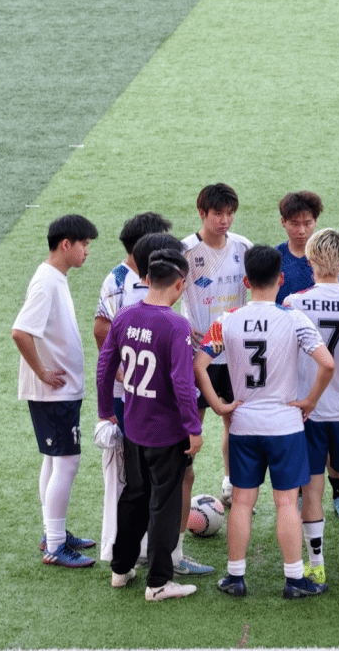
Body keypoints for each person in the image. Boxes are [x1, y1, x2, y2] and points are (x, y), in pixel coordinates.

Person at [196, 245, 335, 599]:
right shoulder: (293, 318)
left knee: (242, 502)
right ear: (281, 279)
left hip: (243, 424)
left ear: (246, 281)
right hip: (285, 425)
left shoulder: (226, 320)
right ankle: (294, 579)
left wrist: (219, 405)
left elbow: (199, 364)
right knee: (286, 502)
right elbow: (328, 364)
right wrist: (310, 400)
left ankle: (235, 576)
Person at [97, 249, 233, 601]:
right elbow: (182, 382)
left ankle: (121, 569)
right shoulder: (176, 325)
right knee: (164, 506)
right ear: (179, 284)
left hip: (134, 428)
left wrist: (105, 411)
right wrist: (194, 428)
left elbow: (105, 365)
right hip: (167, 434)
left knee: (133, 498)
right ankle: (158, 582)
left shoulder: (125, 316)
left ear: (147, 279)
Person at [284, 229, 339, 582]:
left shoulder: (294, 302)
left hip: (308, 409)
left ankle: (316, 564)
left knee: (312, 485)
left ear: (310, 260)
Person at [11, 214, 99, 569]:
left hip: (60, 391)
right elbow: (20, 331)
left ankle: (53, 532)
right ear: (66, 244)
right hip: (55, 392)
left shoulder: (53, 277)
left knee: (53, 459)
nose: (87, 251)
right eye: (84, 244)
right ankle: (56, 545)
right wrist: (42, 372)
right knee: (67, 461)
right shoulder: (47, 282)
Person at [92, 213, 172, 564]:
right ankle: (115, 550)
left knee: (143, 475)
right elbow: (101, 330)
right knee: (122, 475)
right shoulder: (119, 280)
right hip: (125, 397)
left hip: (148, 394)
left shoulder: (157, 277)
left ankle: (139, 548)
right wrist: (124, 375)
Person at [274, 190, 339, 520]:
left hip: (329, 363)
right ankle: (298, 494)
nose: (302, 230)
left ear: (316, 222)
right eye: (295, 223)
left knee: (329, 429)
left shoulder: (332, 259)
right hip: (293, 361)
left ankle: (337, 491)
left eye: (308, 223)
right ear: (283, 223)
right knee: (299, 431)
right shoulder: (277, 258)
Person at [180, 183, 252, 509]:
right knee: (191, 423)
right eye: (218, 214)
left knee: (234, 421)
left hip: (234, 352)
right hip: (198, 354)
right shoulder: (185, 251)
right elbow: (164, 291)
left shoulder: (243, 247)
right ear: (202, 213)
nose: (224, 220)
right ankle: (182, 485)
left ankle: (231, 482)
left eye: (230, 213)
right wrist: (184, 326)